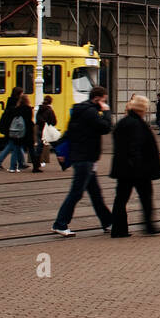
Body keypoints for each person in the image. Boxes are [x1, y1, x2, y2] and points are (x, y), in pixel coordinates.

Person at [52, 85, 114, 237]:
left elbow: (69, 132)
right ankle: (60, 223)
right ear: (98, 98)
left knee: (95, 193)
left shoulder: (79, 110)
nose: (105, 103)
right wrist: (106, 111)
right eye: (104, 100)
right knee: (76, 192)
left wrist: (60, 148)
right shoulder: (91, 112)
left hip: (84, 157)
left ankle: (108, 222)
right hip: (85, 157)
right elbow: (106, 127)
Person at [109, 95, 160, 237]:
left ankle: (119, 229)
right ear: (141, 109)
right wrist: (139, 166)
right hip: (136, 170)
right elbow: (135, 147)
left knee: (121, 199)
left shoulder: (123, 122)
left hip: (123, 168)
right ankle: (149, 226)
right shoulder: (136, 124)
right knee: (145, 197)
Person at [0, 95, 32, 172]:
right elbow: (28, 121)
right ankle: (12, 166)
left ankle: (19, 164)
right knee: (15, 148)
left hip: (13, 131)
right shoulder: (26, 109)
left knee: (15, 147)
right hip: (20, 132)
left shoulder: (15, 108)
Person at [33, 95, 58, 172]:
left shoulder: (40, 109)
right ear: (50, 102)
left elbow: (37, 120)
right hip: (47, 132)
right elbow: (54, 122)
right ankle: (63, 163)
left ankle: (36, 166)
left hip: (40, 130)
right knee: (56, 146)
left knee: (39, 149)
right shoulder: (49, 110)